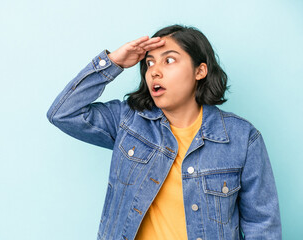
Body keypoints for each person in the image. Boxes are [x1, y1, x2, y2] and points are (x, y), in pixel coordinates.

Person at [46, 24, 282, 240]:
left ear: (200, 71)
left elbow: (262, 226)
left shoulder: (242, 139)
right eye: (149, 63)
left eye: (169, 60)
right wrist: (114, 62)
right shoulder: (128, 121)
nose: (154, 72)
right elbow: (63, 113)